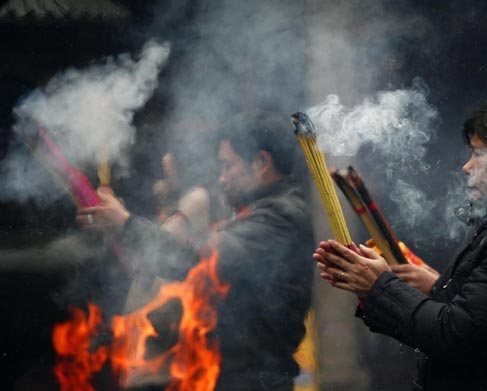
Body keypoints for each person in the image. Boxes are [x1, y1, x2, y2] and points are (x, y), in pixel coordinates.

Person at [313, 96, 487, 391]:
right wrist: (436, 287)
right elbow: (483, 317)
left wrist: (379, 286)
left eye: (477, 154)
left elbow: (455, 336)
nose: (466, 166)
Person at [77, 111, 314, 391]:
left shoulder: (279, 216)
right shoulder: (258, 211)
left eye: (228, 166)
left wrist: (125, 224)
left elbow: (200, 260)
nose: (222, 178)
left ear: (261, 162)